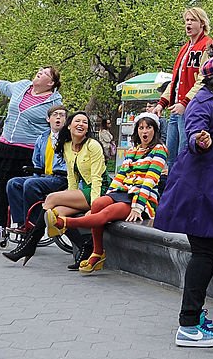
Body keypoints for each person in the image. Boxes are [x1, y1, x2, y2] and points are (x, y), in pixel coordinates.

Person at [153, 55, 213, 348]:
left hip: (212, 189)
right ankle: (189, 325)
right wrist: (199, 140)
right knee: (204, 255)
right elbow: (195, 132)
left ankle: (194, 316)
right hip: (202, 192)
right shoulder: (203, 104)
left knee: (206, 253)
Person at [52, 112, 168, 274]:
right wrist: (109, 195)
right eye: (141, 128)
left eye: (148, 127)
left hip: (141, 198)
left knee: (107, 212)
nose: (145, 131)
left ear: (155, 130)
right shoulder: (132, 151)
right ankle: (97, 251)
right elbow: (120, 176)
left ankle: (65, 223)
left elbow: (150, 180)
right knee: (99, 203)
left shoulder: (159, 149)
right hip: (122, 192)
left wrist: (137, 207)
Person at [3, 111, 103, 266]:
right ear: (69, 126)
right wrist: (70, 197)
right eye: (77, 121)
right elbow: (72, 178)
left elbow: (97, 179)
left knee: (51, 198)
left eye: (85, 122)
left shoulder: (92, 145)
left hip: (99, 191)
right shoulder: (67, 146)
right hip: (82, 192)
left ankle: (29, 245)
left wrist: (95, 205)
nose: (81, 124)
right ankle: (85, 247)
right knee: (54, 215)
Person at [0, 65, 63, 242]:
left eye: (45, 73)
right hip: (6, 146)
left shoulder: (54, 102)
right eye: (40, 70)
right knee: (3, 188)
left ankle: (26, 225)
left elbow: (59, 122)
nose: (40, 72)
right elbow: (5, 86)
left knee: (23, 188)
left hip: (29, 150)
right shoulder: (22, 86)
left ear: (50, 83)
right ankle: (1, 226)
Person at [153, 7, 211, 172]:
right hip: (175, 109)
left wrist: (186, 102)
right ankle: (172, 193)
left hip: (191, 109)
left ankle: (183, 193)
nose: (188, 24)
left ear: (202, 23)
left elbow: (203, 79)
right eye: (186, 20)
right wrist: (161, 103)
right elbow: (175, 81)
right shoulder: (184, 49)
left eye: (192, 20)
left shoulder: (206, 46)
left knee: (185, 155)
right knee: (170, 157)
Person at [5, 105, 68, 234]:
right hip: (44, 177)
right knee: (13, 183)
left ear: (66, 120)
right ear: (48, 119)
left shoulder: (69, 139)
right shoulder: (42, 138)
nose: (58, 118)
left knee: (31, 184)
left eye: (62, 115)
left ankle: (34, 223)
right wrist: (36, 174)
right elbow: (37, 162)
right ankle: (22, 222)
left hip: (61, 178)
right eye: (55, 114)